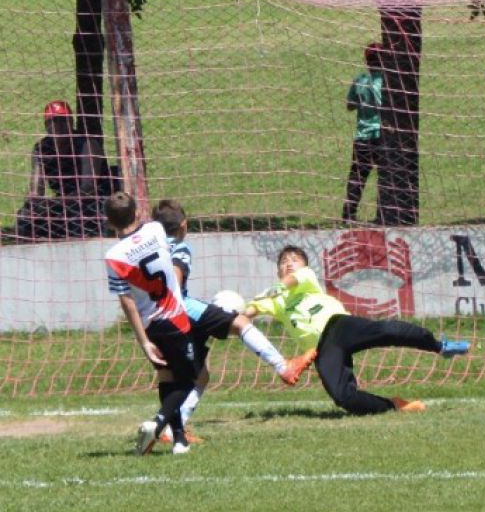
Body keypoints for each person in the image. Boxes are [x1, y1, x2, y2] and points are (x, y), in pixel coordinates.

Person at [150, 199, 310, 443]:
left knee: (199, 376)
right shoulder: (179, 248)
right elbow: (176, 276)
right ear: (184, 225)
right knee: (241, 322)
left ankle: (173, 430)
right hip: (182, 310)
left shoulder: (150, 250)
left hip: (155, 318)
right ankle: (283, 366)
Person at [243, 245, 470, 415]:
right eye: (284, 261)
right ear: (277, 271)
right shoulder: (271, 299)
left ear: (304, 265)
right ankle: (395, 405)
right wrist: (234, 313)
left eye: (295, 259)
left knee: (386, 330)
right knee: (343, 398)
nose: (289, 263)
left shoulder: (305, 277)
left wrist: (277, 287)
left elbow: (290, 281)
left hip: (340, 326)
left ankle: (439, 346)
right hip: (321, 349)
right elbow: (246, 315)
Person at [103, 191, 197, 456]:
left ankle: (180, 440)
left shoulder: (113, 257)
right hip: (175, 318)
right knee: (190, 378)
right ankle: (156, 424)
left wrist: (144, 340)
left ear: (110, 223)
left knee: (167, 377)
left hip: (150, 325)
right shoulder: (156, 229)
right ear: (137, 214)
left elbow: (127, 302)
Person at [19, 100, 118, 239]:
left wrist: (53, 203)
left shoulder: (86, 144)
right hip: (63, 203)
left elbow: (88, 188)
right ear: (46, 125)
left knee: (80, 213)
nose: (59, 126)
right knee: (25, 216)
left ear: (71, 122)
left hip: (92, 202)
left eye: (64, 120)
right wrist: (34, 204)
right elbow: (36, 190)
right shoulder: (42, 149)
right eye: (54, 121)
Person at [342, 43, 384, 222]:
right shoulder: (384, 82)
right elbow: (384, 106)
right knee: (386, 177)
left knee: (357, 177)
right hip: (381, 136)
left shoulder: (359, 80)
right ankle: (383, 215)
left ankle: (348, 214)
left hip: (362, 136)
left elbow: (350, 105)